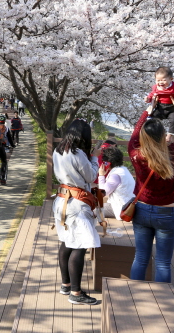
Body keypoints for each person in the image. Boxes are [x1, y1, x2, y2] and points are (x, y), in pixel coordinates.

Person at [128, 95, 174, 283]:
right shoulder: (173, 152)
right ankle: (163, 303)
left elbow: (135, 133)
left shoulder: (136, 153)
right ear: (164, 135)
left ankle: (136, 297)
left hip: (143, 210)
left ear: (143, 137)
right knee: (163, 263)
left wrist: (149, 108)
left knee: (141, 258)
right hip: (167, 212)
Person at [52, 119, 101, 305]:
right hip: (77, 203)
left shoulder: (58, 150)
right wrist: (95, 158)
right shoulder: (78, 153)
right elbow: (91, 176)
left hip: (62, 199)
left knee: (67, 242)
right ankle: (76, 293)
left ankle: (66, 285)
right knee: (80, 245)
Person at [145, 66, 174, 144]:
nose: (160, 82)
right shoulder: (156, 87)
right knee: (153, 118)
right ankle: (156, 133)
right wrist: (148, 99)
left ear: (171, 79)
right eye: (158, 80)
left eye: (163, 80)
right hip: (160, 107)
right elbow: (151, 95)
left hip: (171, 108)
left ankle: (170, 135)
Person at [97, 147, 135, 220]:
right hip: (127, 205)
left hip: (121, 208)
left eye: (104, 162)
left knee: (90, 209)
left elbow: (102, 193)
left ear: (108, 163)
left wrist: (101, 176)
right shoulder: (123, 170)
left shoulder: (115, 175)